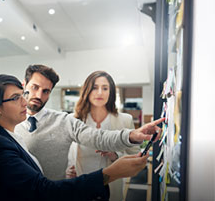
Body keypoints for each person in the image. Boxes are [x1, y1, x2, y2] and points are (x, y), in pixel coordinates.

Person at [0, 74, 150, 201]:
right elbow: (42, 190)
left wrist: (132, 135)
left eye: (22, 96)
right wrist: (109, 174)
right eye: (16, 98)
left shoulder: (8, 135)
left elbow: (96, 136)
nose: (25, 101)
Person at [15, 64, 163, 180]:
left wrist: (133, 135)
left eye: (46, 91)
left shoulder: (64, 120)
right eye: (34, 87)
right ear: (24, 85)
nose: (39, 95)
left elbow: (98, 137)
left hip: (101, 184)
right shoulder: (9, 123)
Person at [66, 71, 140, 201]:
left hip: (111, 187)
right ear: (87, 91)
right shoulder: (72, 120)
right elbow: (64, 151)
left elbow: (136, 157)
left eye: (105, 88)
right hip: (80, 185)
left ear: (110, 92)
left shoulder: (125, 120)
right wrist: (66, 169)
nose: (100, 92)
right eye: (95, 87)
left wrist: (115, 155)